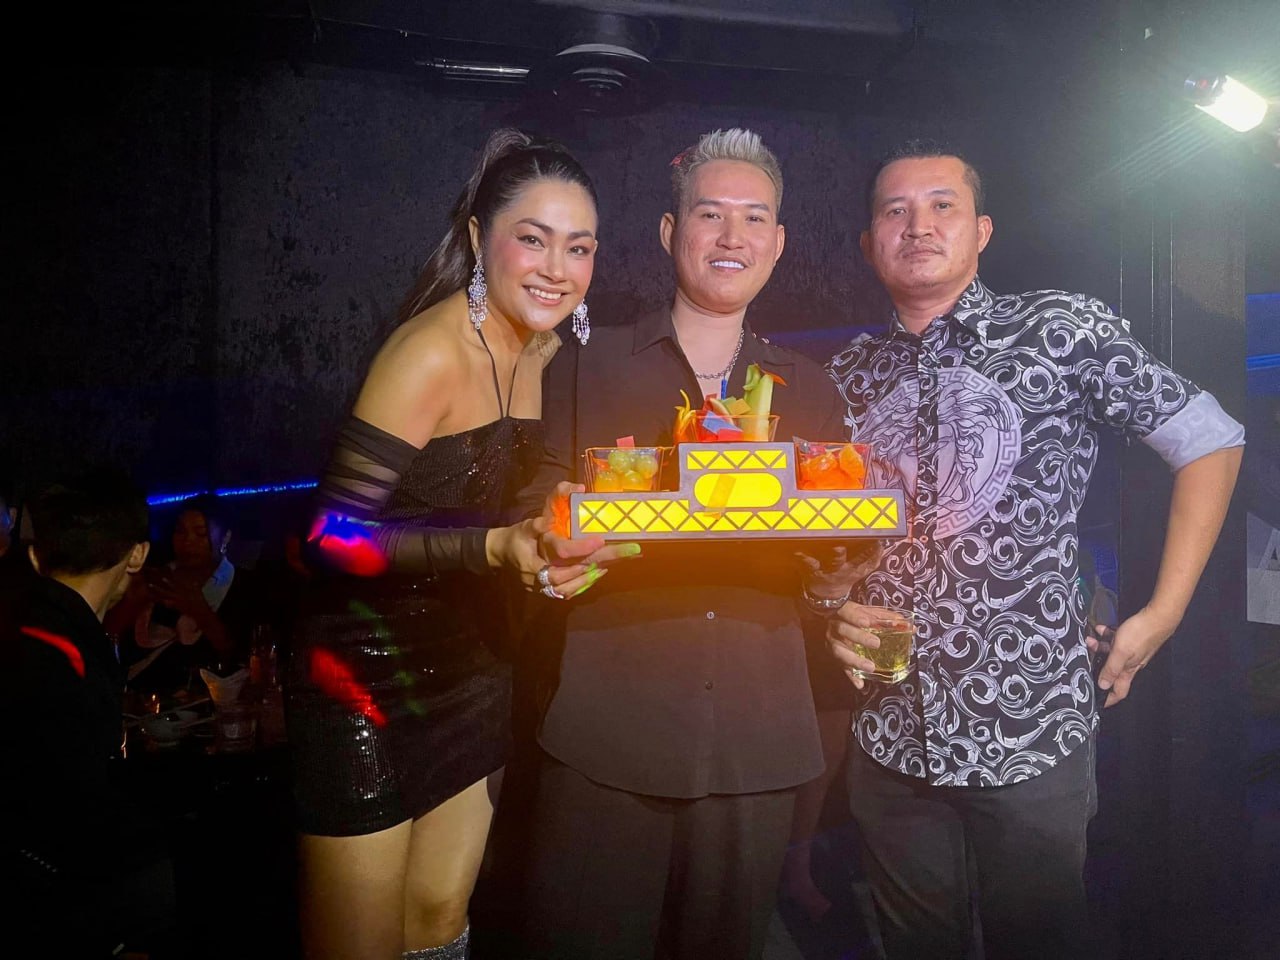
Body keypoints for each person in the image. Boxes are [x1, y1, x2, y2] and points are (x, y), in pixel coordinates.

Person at [818, 138, 1245, 959]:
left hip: (1029, 725)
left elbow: (1209, 438)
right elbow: (818, 533)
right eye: (895, 211)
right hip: (890, 729)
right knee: (915, 946)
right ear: (870, 243)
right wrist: (829, 604)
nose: (918, 225)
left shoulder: (1059, 330)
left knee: (1040, 942)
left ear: (982, 231)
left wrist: (1164, 613)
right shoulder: (846, 374)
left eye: (942, 205)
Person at [514, 127, 875, 960]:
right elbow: (536, 500)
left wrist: (833, 584)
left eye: (754, 218)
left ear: (778, 244)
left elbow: (828, 553)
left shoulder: (810, 390)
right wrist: (552, 546)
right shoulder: (583, 364)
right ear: (671, 231)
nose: (731, 236)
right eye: (710, 214)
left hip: (759, 745)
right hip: (606, 736)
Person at [285, 128, 621, 960]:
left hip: (475, 666)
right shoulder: (429, 352)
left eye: (579, 247)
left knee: (439, 920)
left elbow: (532, 478)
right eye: (533, 239)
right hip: (363, 677)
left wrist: (556, 534)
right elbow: (328, 537)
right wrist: (497, 550)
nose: (557, 269)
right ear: (478, 238)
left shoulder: (546, 348)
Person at [0, 470, 178, 958]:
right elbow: (74, 810)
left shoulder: (33, 629)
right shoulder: (60, 655)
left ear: (36, 557)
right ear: (137, 555)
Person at [110, 496, 262, 693]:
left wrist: (199, 610)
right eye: (180, 531)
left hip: (206, 699)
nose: (187, 541)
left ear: (225, 537)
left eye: (200, 533)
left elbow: (245, 659)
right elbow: (110, 639)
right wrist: (132, 601)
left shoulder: (245, 586)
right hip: (140, 696)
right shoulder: (158, 578)